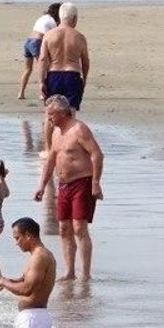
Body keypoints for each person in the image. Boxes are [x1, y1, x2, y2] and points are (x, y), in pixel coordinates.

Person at [34, 95, 104, 281]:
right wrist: (41, 185)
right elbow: (51, 160)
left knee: (79, 227)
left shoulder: (79, 129)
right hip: (63, 185)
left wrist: (96, 183)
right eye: (47, 114)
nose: (48, 118)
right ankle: (69, 271)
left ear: (63, 113)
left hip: (82, 182)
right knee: (64, 228)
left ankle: (86, 273)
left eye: (51, 114)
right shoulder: (56, 132)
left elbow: (97, 155)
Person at [38, 2, 88, 115]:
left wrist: (41, 82)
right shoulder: (79, 37)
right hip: (72, 76)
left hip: (53, 75)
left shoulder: (49, 35)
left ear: (60, 17)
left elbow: (42, 59)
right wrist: (84, 79)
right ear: (74, 18)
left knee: (51, 114)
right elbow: (85, 61)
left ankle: (48, 133)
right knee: (70, 113)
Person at [19, 3, 60, 101]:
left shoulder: (43, 18)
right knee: (43, 68)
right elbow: (53, 37)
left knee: (28, 69)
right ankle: (43, 93)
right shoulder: (52, 21)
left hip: (28, 41)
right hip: (37, 42)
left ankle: (21, 92)